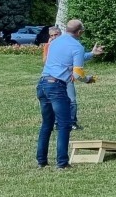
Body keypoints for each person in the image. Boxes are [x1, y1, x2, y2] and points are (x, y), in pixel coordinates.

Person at [35, 19, 104, 169]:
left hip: (42, 84)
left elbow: (68, 58)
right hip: (57, 87)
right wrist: (88, 80)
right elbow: (78, 74)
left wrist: (91, 54)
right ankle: (62, 163)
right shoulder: (77, 46)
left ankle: (41, 161)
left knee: (47, 124)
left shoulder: (55, 42)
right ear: (79, 32)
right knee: (64, 125)